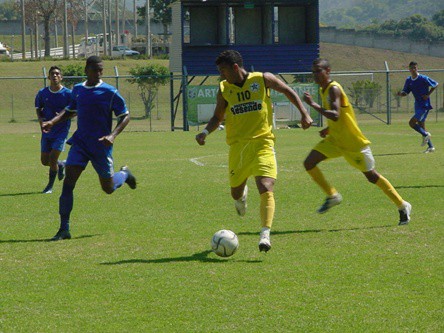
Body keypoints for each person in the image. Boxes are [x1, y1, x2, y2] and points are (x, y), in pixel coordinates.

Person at [195, 50, 313, 252]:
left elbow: (287, 91)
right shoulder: (224, 89)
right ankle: (241, 197)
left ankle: (265, 234)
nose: (221, 75)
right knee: (235, 193)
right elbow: (218, 117)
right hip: (238, 148)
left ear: (234, 67)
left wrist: (304, 113)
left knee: (266, 186)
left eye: (223, 70)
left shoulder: (263, 79)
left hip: (263, 143)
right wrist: (205, 132)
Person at [303, 58, 411, 225]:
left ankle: (402, 205)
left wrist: (313, 105)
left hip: (353, 144)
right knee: (309, 162)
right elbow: (339, 118)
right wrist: (329, 129)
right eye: (313, 72)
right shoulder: (324, 89)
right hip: (335, 140)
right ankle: (332, 195)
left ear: (328, 71)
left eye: (318, 71)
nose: (315, 75)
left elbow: (336, 114)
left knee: (371, 176)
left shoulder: (333, 89)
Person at [42, 56, 136, 241]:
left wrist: (113, 135)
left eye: (101, 70)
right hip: (80, 144)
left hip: (101, 145)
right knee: (68, 183)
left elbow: (125, 115)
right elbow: (70, 110)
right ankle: (64, 229)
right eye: (95, 69)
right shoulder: (78, 89)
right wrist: (52, 121)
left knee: (107, 188)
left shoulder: (110, 91)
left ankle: (124, 175)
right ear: (86, 70)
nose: (99, 73)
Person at [35, 66, 72, 194]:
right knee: (45, 161)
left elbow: (74, 111)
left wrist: (60, 118)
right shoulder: (42, 93)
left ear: (61, 77)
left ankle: (49, 186)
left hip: (61, 131)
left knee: (52, 159)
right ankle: (61, 164)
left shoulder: (68, 94)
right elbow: (38, 110)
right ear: (48, 77)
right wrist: (41, 123)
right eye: (52, 74)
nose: (55, 76)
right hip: (47, 131)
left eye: (57, 74)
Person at [397, 61, 439, 153]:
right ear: (409, 69)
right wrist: (401, 94)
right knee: (421, 125)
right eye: (411, 68)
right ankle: (431, 147)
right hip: (417, 105)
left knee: (411, 123)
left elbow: (435, 84)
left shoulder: (423, 78)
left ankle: (426, 134)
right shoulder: (408, 80)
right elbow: (406, 92)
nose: (413, 70)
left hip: (424, 105)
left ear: (417, 68)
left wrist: (428, 94)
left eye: (414, 68)